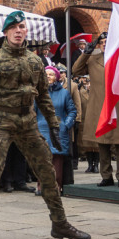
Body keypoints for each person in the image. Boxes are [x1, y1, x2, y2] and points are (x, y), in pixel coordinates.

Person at [0, 11, 90, 239]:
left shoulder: (34, 61)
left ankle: (60, 224)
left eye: (22, 27)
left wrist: (53, 127)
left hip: (28, 123)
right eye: (14, 28)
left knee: (47, 173)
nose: (19, 31)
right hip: (2, 121)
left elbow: (43, 98)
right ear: (6, 32)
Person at [73, 33, 119, 187]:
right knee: (102, 142)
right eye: (102, 42)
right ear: (98, 45)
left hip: (117, 105)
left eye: (107, 41)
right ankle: (106, 175)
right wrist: (86, 53)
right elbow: (76, 70)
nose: (104, 44)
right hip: (99, 106)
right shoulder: (93, 59)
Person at [37, 66, 76, 195]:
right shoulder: (38, 92)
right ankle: (41, 186)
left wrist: (66, 124)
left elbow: (72, 111)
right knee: (43, 159)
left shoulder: (64, 93)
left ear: (57, 77)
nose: (48, 76)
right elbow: (31, 111)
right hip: (42, 128)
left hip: (59, 129)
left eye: (51, 74)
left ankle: (56, 186)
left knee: (57, 160)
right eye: (46, 74)